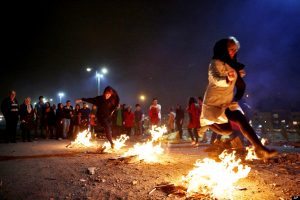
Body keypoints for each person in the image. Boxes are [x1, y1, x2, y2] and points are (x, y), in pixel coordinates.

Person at [199, 36, 277, 159]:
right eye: (231, 49)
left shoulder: (234, 66)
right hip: (213, 102)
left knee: (241, 119)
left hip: (226, 102)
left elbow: (241, 85)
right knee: (226, 131)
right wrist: (227, 79)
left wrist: (237, 96)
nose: (233, 52)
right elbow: (214, 79)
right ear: (223, 49)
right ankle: (207, 124)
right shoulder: (215, 63)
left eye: (235, 49)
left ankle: (259, 148)